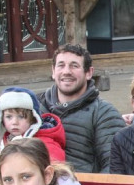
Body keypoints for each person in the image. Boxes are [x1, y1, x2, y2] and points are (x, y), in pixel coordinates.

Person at [40, 44, 125, 173]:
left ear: (89, 73)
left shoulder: (104, 113)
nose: (66, 71)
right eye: (61, 65)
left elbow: (114, 166)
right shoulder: (33, 107)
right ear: (53, 71)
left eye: (74, 66)